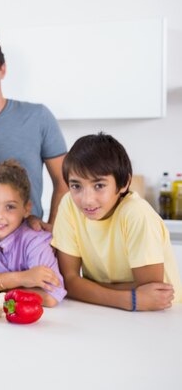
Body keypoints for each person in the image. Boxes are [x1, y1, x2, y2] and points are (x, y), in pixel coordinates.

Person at [53, 132, 181, 311]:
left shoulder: (136, 213)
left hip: (162, 313)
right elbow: (67, 281)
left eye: (99, 186)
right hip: (113, 309)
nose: (87, 199)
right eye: (76, 186)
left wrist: (85, 287)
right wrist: (130, 299)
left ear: (124, 183)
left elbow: (152, 290)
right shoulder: (69, 204)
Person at [0, 35, 68, 231]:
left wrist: (52, 232)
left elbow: (64, 181)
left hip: (27, 240)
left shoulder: (38, 117)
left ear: (2, 69)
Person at [0, 159, 66, 307]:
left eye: (10, 207)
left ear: (26, 209)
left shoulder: (36, 240)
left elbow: (49, 297)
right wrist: (21, 278)